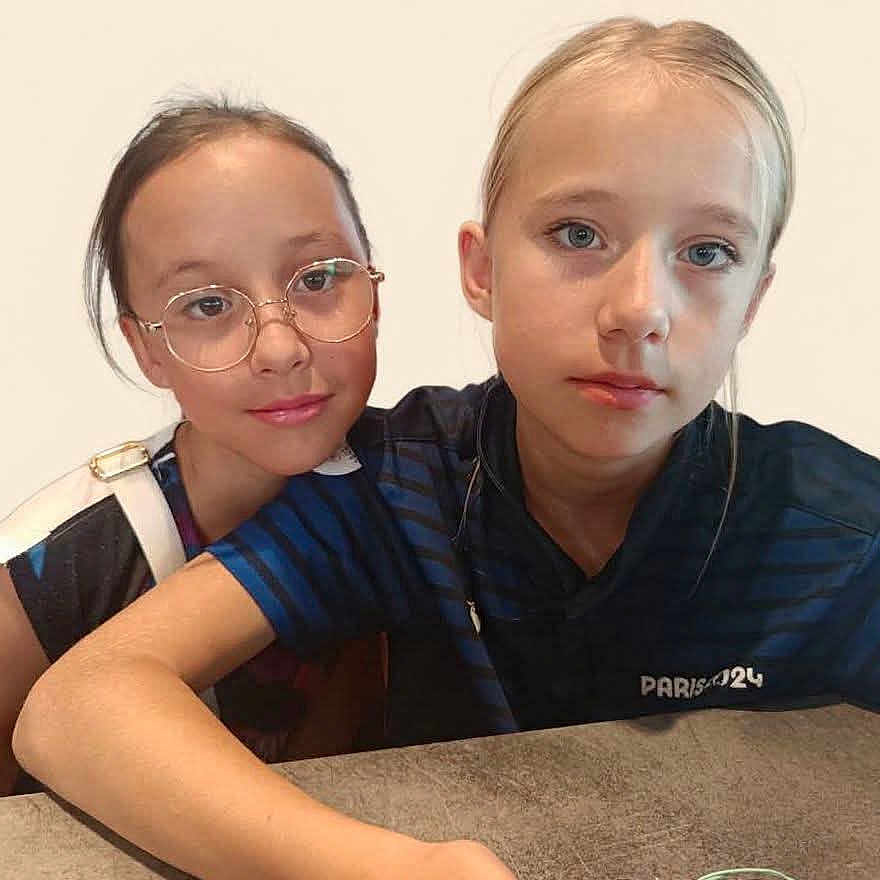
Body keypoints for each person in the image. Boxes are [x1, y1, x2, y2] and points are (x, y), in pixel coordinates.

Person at [14, 16, 880, 880]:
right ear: (481, 270)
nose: (639, 310)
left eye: (708, 251)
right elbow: (82, 705)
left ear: (754, 302)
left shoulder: (838, 535)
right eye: (579, 234)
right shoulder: (400, 485)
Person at [0, 99, 389, 795]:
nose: (279, 347)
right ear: (147, 348)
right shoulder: (56, 572)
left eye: (319, 278)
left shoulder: (431, 483)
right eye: (208, 305)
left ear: (377, 292)